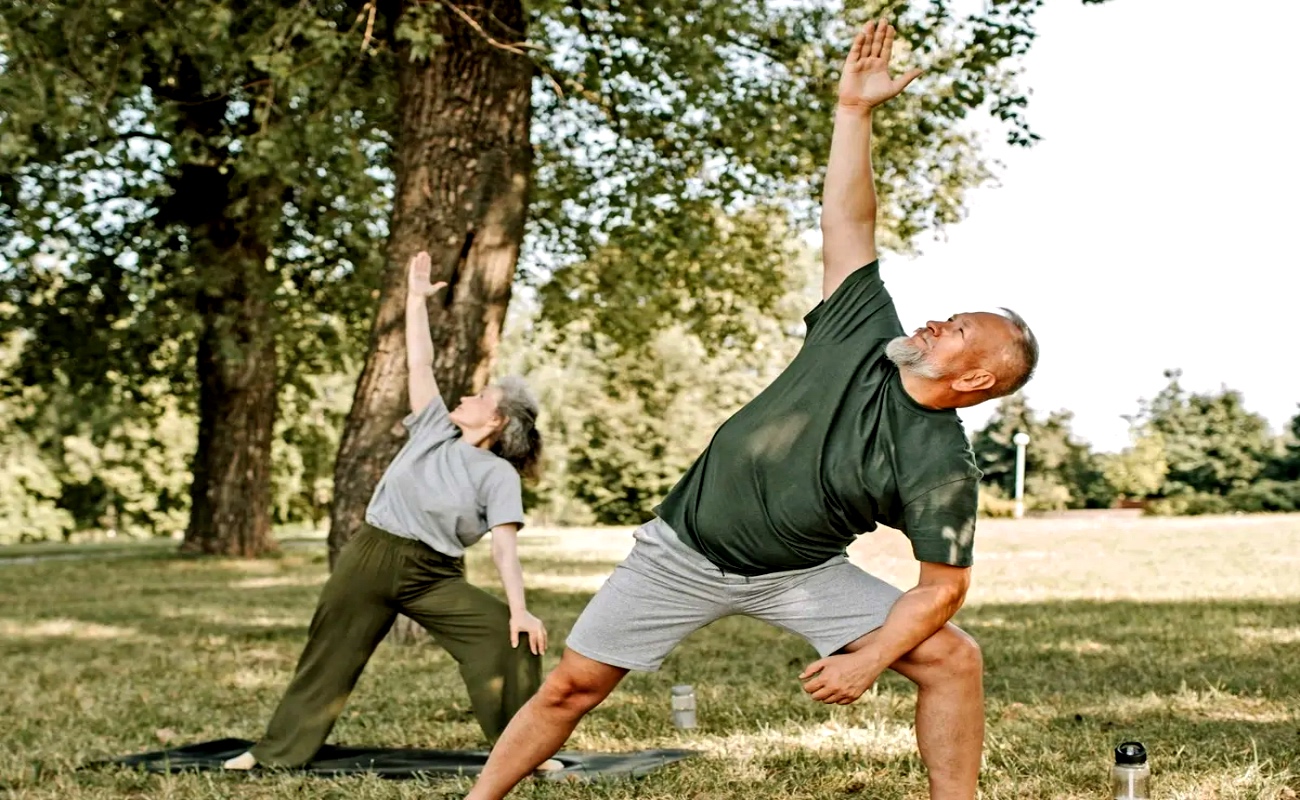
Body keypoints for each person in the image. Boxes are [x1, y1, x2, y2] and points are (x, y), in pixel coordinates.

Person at [463, 18, 1039, 800]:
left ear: (973, 382)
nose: (938, 320)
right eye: (949, 314)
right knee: (572, 686)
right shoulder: (862, 328)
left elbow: (940, 588)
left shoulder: (941, 464)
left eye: (958, 331)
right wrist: (853, 113)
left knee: (953, 657)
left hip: (797, 574)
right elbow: (849, 222)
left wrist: (868, 658)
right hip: (683, 550)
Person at [223, 251, 550, 771]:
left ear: (497, 421)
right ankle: (275, 754)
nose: (466, 394)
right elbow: (418, 362)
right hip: (371, 558)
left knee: (504, 637)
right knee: (327, 655)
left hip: (432, 576)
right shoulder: (433, 429)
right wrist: (415, 300)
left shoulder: (498, 476)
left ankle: (525, 753)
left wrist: (519, 609)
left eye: (480, 395)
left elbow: (506, 550)